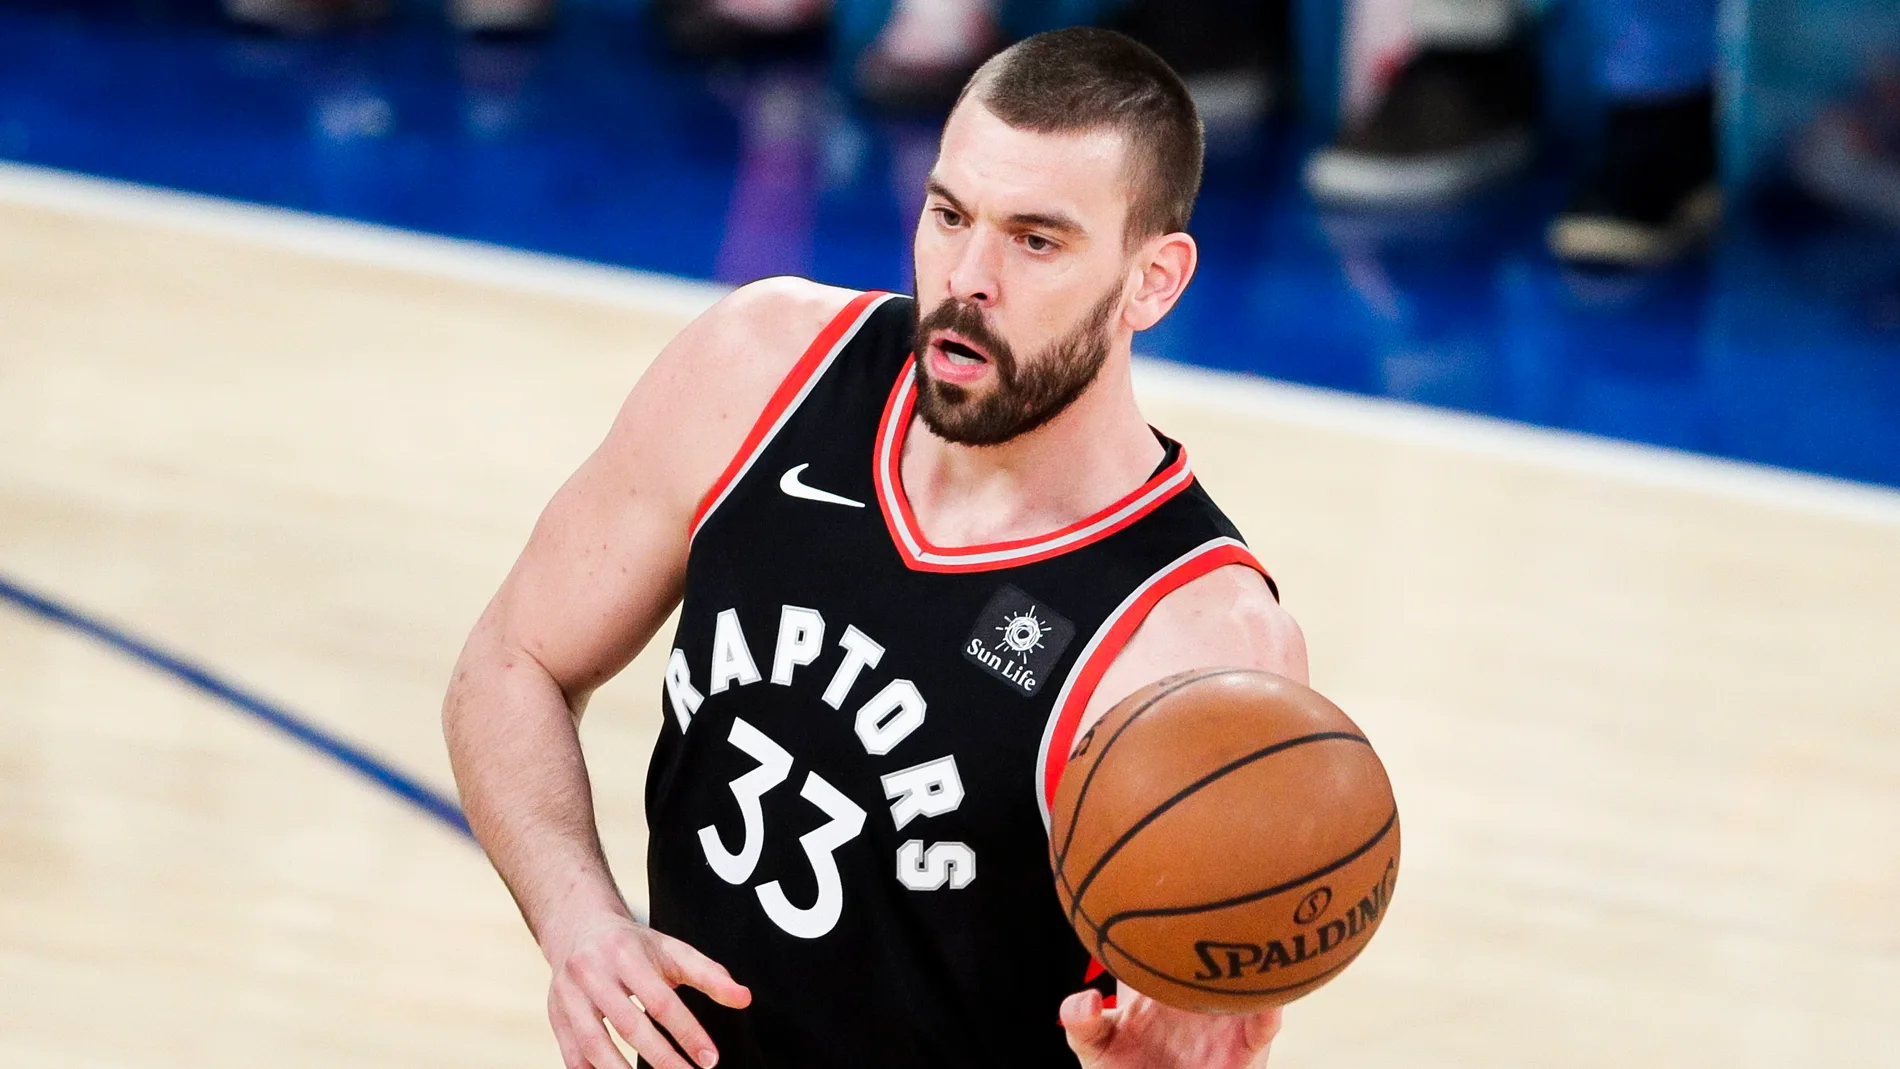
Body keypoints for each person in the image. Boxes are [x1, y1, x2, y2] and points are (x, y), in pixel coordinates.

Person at [442, 27, 1306, 1069]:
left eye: (1036, 240)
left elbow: (1185, 1040)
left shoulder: (1197, 639)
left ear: (1151, 281)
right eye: (949, 214)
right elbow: (509, 662)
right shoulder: (759, 375)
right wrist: (576, 918)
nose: (967, 277)